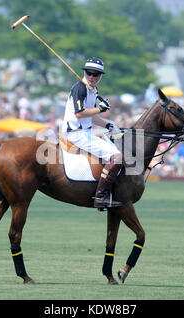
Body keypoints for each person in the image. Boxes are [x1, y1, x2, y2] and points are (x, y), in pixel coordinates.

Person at [61, 57, 123, 209]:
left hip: (87, 131)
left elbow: (92, 115)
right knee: (117, 157)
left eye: (96, 74)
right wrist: (100, 108)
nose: (92, 77)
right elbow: (80, 113)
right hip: (76, 133)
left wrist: (108, 124)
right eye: (89, 73)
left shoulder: (93, 90)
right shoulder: (80, 88)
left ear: (101, 76)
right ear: (85, 72)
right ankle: (100, 196)